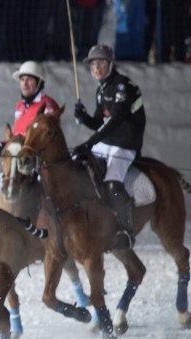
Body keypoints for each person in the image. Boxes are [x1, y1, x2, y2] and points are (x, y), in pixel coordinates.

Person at [73, 44, 145, 250]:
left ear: (111, 64)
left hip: (125, 144)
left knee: (112, 184)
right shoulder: (102, 89)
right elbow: (99, 122)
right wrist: (84, 118)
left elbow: (115, 120)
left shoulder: (123, 86)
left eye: (101, 63)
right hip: (107, 143)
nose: (96, 67)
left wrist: (89, 143)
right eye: (93, 64)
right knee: (76, 165)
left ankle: (125, 230)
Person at [0, 61, 60, 204]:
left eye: (29, 79)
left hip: (37, 163)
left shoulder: (47, 104)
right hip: (17, 161)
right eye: (22, 80)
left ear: (39, 82)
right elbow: (17, 134)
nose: (25, 84)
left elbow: (47, 137)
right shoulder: (20, 106)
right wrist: (3, 145)